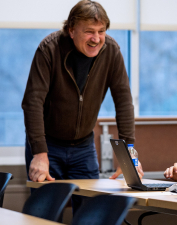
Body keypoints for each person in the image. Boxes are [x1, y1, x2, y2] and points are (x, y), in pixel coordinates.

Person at [22, 0, 143, 213]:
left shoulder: (112, 51)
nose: (96, 39)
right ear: (71, 30)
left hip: (83, 148)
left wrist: (129, 154)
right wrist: (39, 153)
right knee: (44, 216)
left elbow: (123, 102)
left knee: (89, 213)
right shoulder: (49, 49)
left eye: (101, 31)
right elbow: (32, 103)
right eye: (89, 31)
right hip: (48, 146)